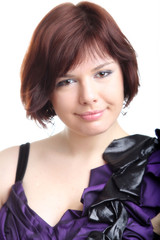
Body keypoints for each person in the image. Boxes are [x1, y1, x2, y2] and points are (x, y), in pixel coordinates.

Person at [0, 1, 160, 239]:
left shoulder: (155, 171)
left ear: (125, 72)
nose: (88, 96)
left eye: (102, 73)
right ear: (46, 90)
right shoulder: (8, 167)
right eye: (67, 81)